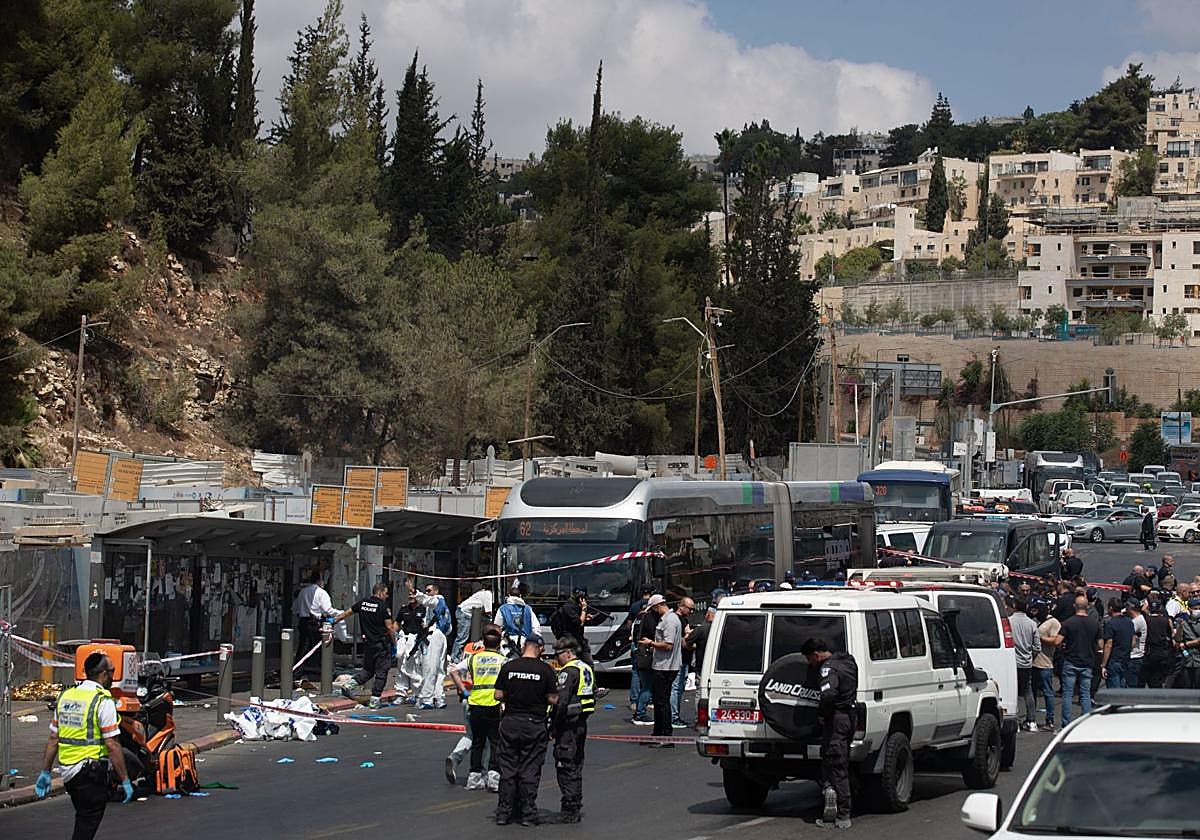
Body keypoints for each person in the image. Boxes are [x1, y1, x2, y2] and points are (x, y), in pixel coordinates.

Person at [36, 652, 134, 840]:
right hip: (90, 773)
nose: (113, 676)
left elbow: (53, 738)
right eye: (112, 671)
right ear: (103, 674)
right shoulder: (102, 701)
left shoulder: (66, 696)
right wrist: (125, 779)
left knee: (83, 818)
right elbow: (112, 745)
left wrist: (45, 772)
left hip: (68, 774)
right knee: (87, 823)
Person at [494, 636, 558, 826]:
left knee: (508, 769)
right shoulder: (546, 670)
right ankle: (528, 813)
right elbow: (553, 699)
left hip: (511, 721)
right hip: (534, 723)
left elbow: (498, 694)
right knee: (530, 769)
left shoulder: (509, 667)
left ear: (524, 646)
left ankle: (504, 812)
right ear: (540, 648)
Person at [802, 637, 858, 830]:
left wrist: (822, 714)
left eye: (809, 659)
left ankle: (842, 814)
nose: (810, 664)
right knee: (838, 761)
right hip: (850, 717)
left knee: (835, 765)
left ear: (816, 655)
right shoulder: (848, 661)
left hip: (836, 720)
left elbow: (828, 694)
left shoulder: (828, 669)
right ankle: (831, 794)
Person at [448, 627, 505, 792]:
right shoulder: (502, 660)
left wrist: (463, 691)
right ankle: (493, 778)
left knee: (477, 742)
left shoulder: (474, 658)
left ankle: (474, 778)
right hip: (494, 704)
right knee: (495, 742)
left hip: (475, 703)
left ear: (483, 642)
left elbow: (453, 670)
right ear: (499, 644)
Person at [551, 635, 595, 823]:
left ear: (568, 653)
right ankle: (575, 803)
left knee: (565, 765)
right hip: (581, 722)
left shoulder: (568, 671)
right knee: (576, 764)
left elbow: (561, 702)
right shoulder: (586, 667)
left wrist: (553, 726)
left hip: (568, 724)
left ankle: (570, 808)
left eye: (558, 654)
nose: (556, 658)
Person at [332, 581, 397, 710]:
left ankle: (349, 685)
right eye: (386, 593)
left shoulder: (363, 603)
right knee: (381, 672)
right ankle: (375, 700)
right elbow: (389, 627)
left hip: (368, 644)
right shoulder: (383, 607)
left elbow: (347, 613)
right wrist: (394, 643)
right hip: (381, 644)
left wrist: (333, 621)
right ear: (380, 592)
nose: (387, 596)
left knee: (368, 670)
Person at [639, 594, 681, 743]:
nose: (653, 613)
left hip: (665, 667)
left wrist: (650, 643)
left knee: (662, 702)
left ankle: (665, 735)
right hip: (664, 665)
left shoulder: (669, 621)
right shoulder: (669, 619)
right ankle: (659, 733)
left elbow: (668, 645)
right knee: (659, 701)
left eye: (653, 609)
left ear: (658, 606)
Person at [1053, 595, 1101, 726]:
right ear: (1087, 606)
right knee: (1085, 694)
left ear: (1075, 606)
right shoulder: (1095, 623)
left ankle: (1066, 724)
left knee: (1068, 694)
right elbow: (1100, 644)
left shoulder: (1068, 623)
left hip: (1071, 660)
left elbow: (1057, 641)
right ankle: (1085, 723)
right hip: (1087, 661)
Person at [292, 569, 338, 676]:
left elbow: (295, 609)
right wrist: (340, 613)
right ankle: (320, 670)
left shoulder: (303, 592)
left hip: (303, 622)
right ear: (319, 580)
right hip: (315, 622)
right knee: (319, 647)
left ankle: (298, 669)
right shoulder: (321, 593)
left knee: (303, 646)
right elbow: (328, 610)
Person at [413, 581, 451, 710]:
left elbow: (426, 600)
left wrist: (416, 592)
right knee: (439, 669)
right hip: (440, 636)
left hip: (434, 637)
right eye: (426, 591)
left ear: (436, 591)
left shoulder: (437, 600)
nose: (427, 593)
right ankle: (439, 698)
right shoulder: (439, 606)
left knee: (430, 668)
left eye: (429, 591)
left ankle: (427, 699)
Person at [1009, 599, 1040, 731]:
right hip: (1026, 662)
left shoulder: (1009, 621)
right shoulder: (1032, 624)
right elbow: (1037, 647)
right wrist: (1030, 658)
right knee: (1028, 691)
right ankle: (1032, 720)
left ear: (1014, 606)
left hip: (1012, 662)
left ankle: (1015, 721)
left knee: (1013, 692)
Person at [630, 593, 660, 725]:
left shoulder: (640, 616)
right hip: (645, 655)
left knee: (641, 679)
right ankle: (640, 713)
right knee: (647, 686)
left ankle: (638, 708)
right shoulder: (649, 618)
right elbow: (653, 634)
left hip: (639, 651)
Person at [392, 590, 426, 702]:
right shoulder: (404, 609)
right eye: (409, 594)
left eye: (413, 594)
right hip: (404, 640)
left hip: (416, 641)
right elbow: (397, 623)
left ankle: (416, 693)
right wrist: (393, 635)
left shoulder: (423, 609)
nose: (411, 596)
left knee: (415, 667)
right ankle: (401, 693)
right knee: (401, 666)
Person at [1034, 601, 1062, 731]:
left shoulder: (1053, 622)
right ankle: (1031, 718)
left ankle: (1049, 720)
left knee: (1048, 692)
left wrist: (1039, 637)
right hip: (1033, 662)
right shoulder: (1036, 621)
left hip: (1046, 663)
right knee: (1032, 692)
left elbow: (1055, 640)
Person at [670, 597, 696, 728]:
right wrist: (688, 637)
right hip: (678, 659)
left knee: (679, 688)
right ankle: (673, 717)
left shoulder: (684, 619)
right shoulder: (675, 620)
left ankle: (675, 715)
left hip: (684, 659)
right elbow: (679, 641)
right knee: (676, 688)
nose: (691, 612)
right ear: (681, 606)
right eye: (690, 609)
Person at [550, 588, 594, 665]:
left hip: (578, 639)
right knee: (575, 662)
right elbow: (579, 623)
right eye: (583, 598)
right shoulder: (569, 607)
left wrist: (585, 617)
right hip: (569, 641)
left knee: (588, 663)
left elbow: (577, 619)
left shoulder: (575, 606)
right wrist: (584, 609)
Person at [627, 586, 653, 712]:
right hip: (648, 644)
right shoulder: (653, 605)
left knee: (635, 672)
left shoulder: (634, 606)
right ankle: (648, 700)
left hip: (635, 643)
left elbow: (629, 624)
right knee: (649, 673)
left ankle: (634, 701)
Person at [1101, 598, 1136, 688]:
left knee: (1114, 689)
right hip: (1126, 659)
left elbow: (1108, 645)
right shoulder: (1129, 622)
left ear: (1111, 608)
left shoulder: (1110, 624)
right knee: (1123, 686)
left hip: (1114, 660)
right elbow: (1133, 641)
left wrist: (1103, 664)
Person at [453, 585, 495, 659]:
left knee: (464, 636)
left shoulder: (483, 593)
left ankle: (459, 656)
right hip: (464, 613)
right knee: (462, 637)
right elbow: (488, 611)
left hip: (465, 612)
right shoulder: (488, 594)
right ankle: (455, 658)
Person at [1140, 599, 1174, 688]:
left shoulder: (1146, 619)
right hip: (1161, 653)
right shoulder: (1165, 620)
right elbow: (1171, 634)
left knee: (1143, 678)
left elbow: (1143, 610)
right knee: (1157, 680)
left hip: (1148, 652)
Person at [497, 581, 537, 655]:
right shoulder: (528, 609)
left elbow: (497, 627)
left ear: (509, 595)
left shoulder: (503, 609)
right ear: (520, 596)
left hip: (508, 644)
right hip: (524, 644)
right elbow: (536, 628)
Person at [1174, 597, 1200, 689]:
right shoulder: (1184, 622)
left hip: (1198, 659)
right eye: (1195, 608)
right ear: (1189, 609)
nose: (1197, 611)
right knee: (1187, 686)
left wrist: (1186, 644)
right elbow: (1178, 640)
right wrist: (1180, 628)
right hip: (1187, 659)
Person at [1127, 599, 1147, 688]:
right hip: (1137, 657)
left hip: (1134, 657)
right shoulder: (1138, 619)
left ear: (1131, 608)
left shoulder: (1137, 622)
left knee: (1132, 686)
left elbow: (1132, 640)